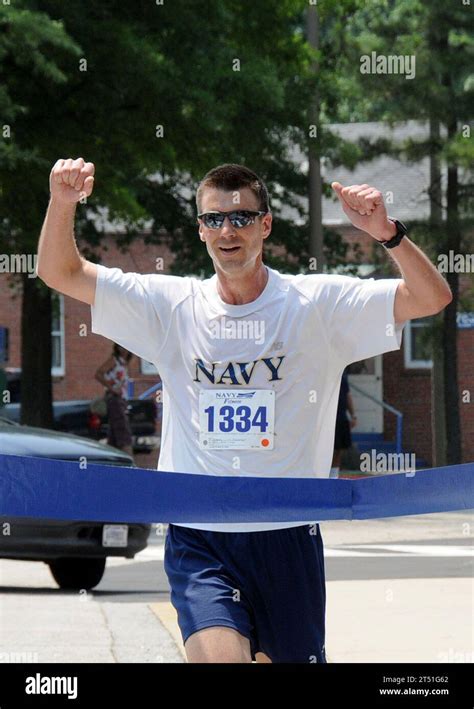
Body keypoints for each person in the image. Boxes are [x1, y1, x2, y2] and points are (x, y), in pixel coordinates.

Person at [37, 158, 452, 663]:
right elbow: (60, 272)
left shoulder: (316, 304)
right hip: (201, 535)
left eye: (241, 217)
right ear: (200, 230)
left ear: (265, 225)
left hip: (287, 534)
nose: (227, 230)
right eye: (214, 219)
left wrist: (388, 234)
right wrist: (62, 202)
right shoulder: (171, 306)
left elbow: (431, 298)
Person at [94, 343, 134, 458]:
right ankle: (131, 463)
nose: (123, 350)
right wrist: (111, 388)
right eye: (120, 347)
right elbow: (98, 374)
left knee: (114, 435)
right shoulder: (114, 360)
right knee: (123, 432)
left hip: (121, 400)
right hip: (115, 400)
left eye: (125, 347)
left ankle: (113, 461)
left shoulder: (124, 363)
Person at [330, 368, 357, 478]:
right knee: (328, 448)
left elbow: (347, 395)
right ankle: (324, 474)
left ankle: (334, 475)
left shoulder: (342, 373)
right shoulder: (322, 370)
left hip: (341, 416)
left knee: (338, 449)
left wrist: (353, 415)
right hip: (327, 418)